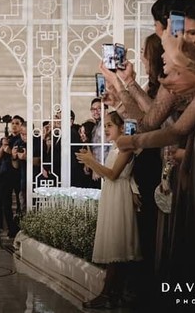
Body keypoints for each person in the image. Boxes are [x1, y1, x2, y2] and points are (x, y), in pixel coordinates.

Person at [76, 111, 141, 309]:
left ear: (122, 127)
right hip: (112, 193)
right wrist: (92, 162)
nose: (105, 129)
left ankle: (107, 294)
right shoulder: (115, 146)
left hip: (119, 195)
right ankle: (115, 293)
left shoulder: (126, 146)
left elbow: (113, 174)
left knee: (117, 244)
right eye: (104, 125)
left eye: (110, 125)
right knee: (113, 242)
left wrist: (91, 161)